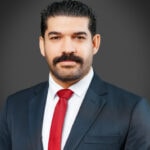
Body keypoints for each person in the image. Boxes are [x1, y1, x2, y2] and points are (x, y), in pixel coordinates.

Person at [0, 0, 150, 150]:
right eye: (55, 38)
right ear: (42, 45)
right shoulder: (14, 107)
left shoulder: (132, 110)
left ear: (95, 43)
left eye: (79, 37)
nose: (67, 49)